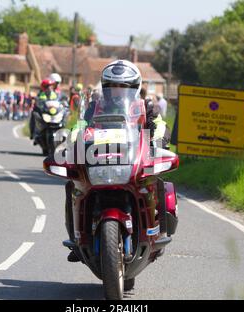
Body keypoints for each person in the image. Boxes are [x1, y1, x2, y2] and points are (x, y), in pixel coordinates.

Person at [65, 60, 170, 262]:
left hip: (132, 159)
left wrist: (158, 143)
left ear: (134, 87)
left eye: (124, 86)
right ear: (105, 88)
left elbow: (159, 125)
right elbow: (80, 126)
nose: (118, 90)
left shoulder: (145, 105)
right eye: (113, 86)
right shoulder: (95, 107)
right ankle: (76, 238)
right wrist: (72, 142)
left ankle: (160, 232)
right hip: (100, 159)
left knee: (157, 182)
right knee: (73, 185)